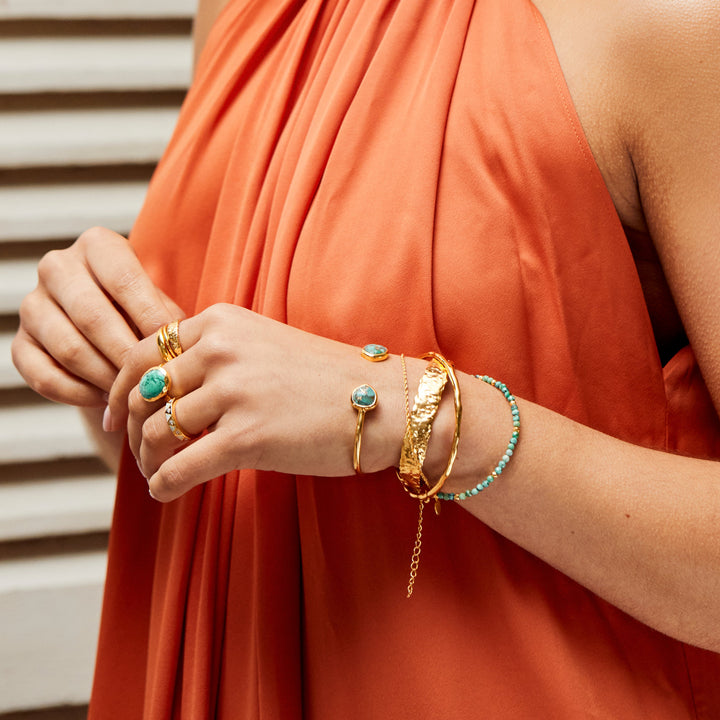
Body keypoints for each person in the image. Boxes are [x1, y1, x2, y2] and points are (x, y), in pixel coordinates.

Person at [11, 0, 720, 716]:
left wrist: (417, 417)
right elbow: (225, 473)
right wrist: (109, 363)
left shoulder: (669, 25)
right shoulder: (235, 13)